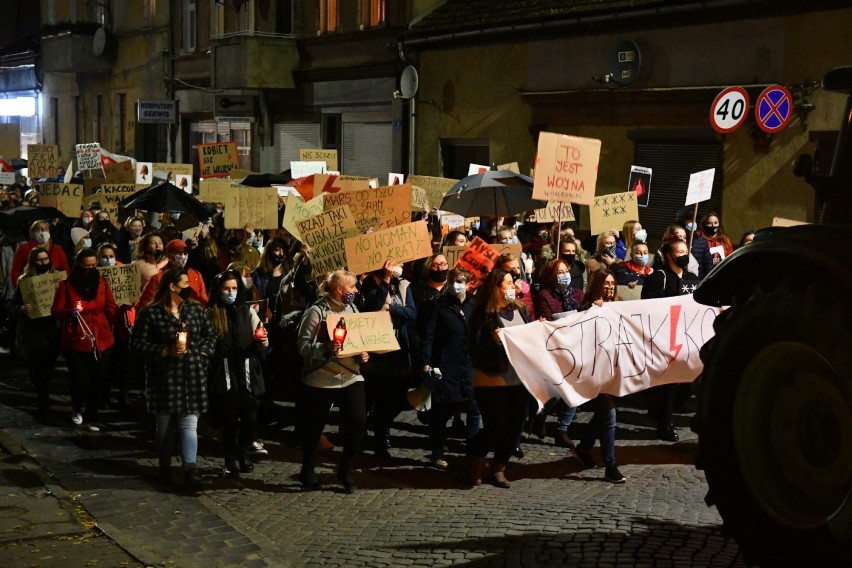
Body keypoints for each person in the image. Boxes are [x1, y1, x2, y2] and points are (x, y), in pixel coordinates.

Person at [130, 268, 216, 492]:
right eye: (185, 283)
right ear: (172, 286)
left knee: (189, 425)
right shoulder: (151, 314)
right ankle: (165, 467)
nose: (190, 287)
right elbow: (136, 344)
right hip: (165, 379)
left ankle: (190, 470)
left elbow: (211, 334)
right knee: (165, 429)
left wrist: (203, 352)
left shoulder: (195, 310)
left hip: (192, 375)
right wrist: (163, 351)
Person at [296, 270, 370, 493]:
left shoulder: (354, 310)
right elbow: (303, 347)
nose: (355, 291)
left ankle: (345, 469)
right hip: (321, 378)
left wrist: (363, 353)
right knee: (314, 428)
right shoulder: (316, 312)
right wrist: (325, 347)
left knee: (358, 422)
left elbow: (358, 341)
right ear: (339, 289)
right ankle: (307, 470)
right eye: (352, 287)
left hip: (350, 376)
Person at [466, 268, 530, 488]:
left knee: (515, 427)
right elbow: (473, 348)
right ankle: (474, 463)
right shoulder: (482, 315)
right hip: (490, 378)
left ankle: (498, 468)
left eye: (513, 283)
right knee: (495, 427)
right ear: (496, 287)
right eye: (509, 283)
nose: (513, 287)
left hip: (518, 378)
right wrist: (492, 342)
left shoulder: (521, 310)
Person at [207, 269, 268, 477]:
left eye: (234, 288)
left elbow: (261, 340)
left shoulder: (247, 312)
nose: (230, 292)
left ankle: (243, 452)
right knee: (229, 419)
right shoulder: (212, 313)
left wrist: (262, 340)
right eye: (226, 288)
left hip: (247, 370)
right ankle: (230, 458)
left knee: (250, 417)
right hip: (225, 372)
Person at [51, 248, 118, 431]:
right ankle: (77, 407)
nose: (89, 269)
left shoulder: (102, 283)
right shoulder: (66, 285)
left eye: (92, 265)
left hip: (100, 336)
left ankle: (92, 416)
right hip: (77, 336)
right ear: (78, 264)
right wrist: (71, 313)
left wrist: (120, 322)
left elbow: (110, 307)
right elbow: (56, 311)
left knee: (98, 378)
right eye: (85, 265)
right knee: (80, 379)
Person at [641, 238, 701, 442]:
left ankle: (659, 408)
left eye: (686, 251)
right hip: (666, 337)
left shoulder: (692, 278)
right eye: (679, 252)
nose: (684, 255)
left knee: (688, 381)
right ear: (668, 255)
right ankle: (665, 424)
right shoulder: (659, 278)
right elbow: (649, 307)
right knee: (671, 382)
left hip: (688, 336)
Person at [419, 267, 480, 468]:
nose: (457, 285)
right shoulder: (439, 306)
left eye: (461, 280)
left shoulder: (474, 306)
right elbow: (428, 335)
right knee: (443, 409)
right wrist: (426, 361)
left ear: (469, 283)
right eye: (453, 280)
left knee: (473, 408)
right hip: (446, 364)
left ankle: (473, 452)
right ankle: (437, 448)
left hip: (468, 364)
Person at [572, 268, 626, 483]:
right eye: (606, 284)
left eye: (613, 283)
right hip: (594, 371)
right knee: (609, 415)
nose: (610, 288)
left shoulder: (618, 307)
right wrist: (594, 312)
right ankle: (610, 465)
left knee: (602, 415)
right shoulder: (586, 309)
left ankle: (584, 448)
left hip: (613, 369)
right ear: (597, 286)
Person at [359, 259, 417, 460]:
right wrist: (384, 278)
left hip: (399, 348)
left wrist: (392, 309)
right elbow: (374, 305)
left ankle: (379, 424)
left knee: (400, 395)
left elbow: (411, 312)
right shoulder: (370, 282)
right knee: (381, 394)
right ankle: (380, 438)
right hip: (378, 348)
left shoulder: (403, 284)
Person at [533, 258, 584, 448]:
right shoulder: (544, 295)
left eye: (566, 271)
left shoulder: (578, 294)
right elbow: (545, 320)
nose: (564, 275)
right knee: (555, 393)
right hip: (555, 349)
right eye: (559, 272)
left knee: (575, 389)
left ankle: (562, 429)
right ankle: (540, 415)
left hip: (576, 347)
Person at [10, 247, 61, 421]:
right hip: (34, 328)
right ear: (33, 262)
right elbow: (12, 305)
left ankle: (43, 390)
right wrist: (22, 308)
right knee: (41, 363)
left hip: (53, 327)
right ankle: (43, 403)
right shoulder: (24, 280)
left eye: (45, 259)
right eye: (39, 260)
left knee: (49, 363)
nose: (43, 263)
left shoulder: (57, 279)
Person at [137, 239, 208, 309]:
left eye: (185, 253)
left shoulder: (196, 275)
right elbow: (145, 303)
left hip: (192, 316)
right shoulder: (158, 277)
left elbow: (203, 299)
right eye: (179, 253)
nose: (183, 256)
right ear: (169, 255)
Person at [10, 220, 70, 287]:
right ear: (33, 233)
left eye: (46, 229)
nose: (43, 231)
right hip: (31, 290)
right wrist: (20, 289)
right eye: (40, 229)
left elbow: (66, 271)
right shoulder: (24, 249)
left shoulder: (58, 249)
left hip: (54, 290)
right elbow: (15, 271)